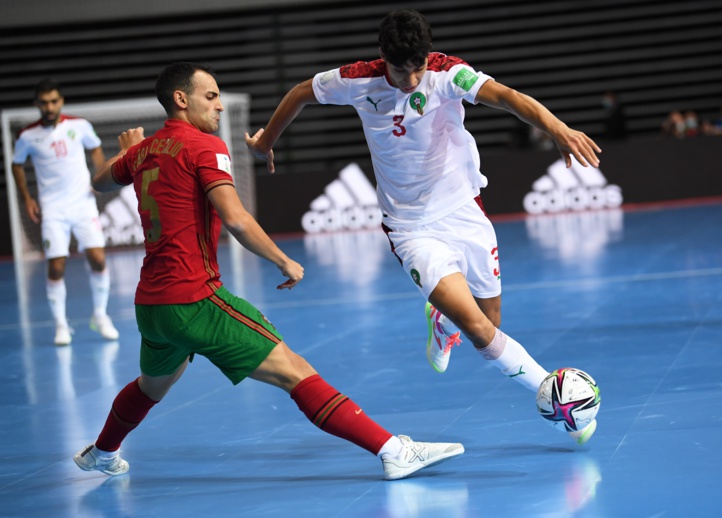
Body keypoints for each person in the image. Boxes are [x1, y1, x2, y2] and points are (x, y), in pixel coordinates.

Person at [72, 62, 464, 481]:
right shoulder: (205, 147)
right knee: (295, 372)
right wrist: (283, 259)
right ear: (181, 99)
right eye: (211, 96)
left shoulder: (144, 151)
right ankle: (392, 451)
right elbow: (237, 219)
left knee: (151, 387)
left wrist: (126, 150)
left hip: (152, 306)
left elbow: (99, 181)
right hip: (195, 298)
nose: (220, 106)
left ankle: (102, 451)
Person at [245, 9, 602, 444]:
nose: (411, 80)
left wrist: (558, 128)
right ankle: (560, 397)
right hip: (410, 226)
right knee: (479, 331)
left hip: (465, 212)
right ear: (383, 57)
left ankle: (440, 322)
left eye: (417, 68)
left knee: (491, 321)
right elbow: (301, 92)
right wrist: (266, 140)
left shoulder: (447, 74)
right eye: (401, 70)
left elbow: (507, 96)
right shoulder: (359, 79)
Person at [11, 79, 119, 345]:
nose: (49, 107)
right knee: (56, 266)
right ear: (37, 104)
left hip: (83, 203)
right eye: (44, 102)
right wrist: (26, 198)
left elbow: (94, 148)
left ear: (61, 101)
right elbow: (17, 164)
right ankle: (60, 325)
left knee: (98, 259)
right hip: (53, 209)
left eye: (54, 101)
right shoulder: (27, 135)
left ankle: (100, 316)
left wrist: (99, 175)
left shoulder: (79, 126)